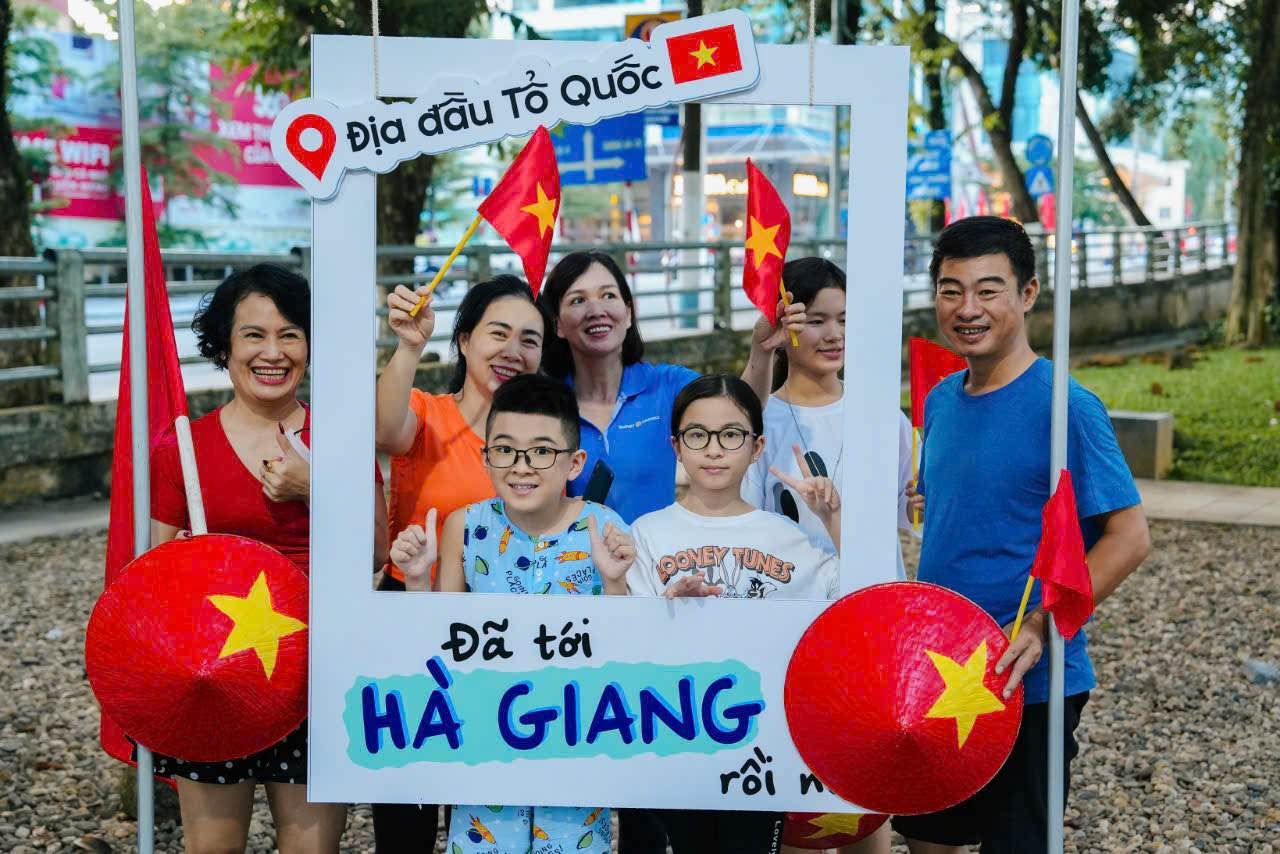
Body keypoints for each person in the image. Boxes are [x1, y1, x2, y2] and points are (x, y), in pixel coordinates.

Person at [896, 216, 1150, 853]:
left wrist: (1043, 622)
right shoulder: (941, 401)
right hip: (938, 666)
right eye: (951, 290)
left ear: (1029, 294)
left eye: (989, 289)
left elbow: (1129, 536)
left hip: (1025, 677)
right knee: (932, 840)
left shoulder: (1066, 405)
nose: (968, 308)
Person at [537, 251, 804, 852]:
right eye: (576, 299)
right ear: (556, 322)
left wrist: (763, 354)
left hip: (666, 596)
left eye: (608, 295)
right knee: (590, 753)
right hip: (573, 601)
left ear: (630, 311)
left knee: (663, 757)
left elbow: (734, 415)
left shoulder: (667, 385)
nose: (595, 309)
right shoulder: (543, 401)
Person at [149, 264, 378, 852]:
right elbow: (151, 574)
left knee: (311, 847)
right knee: (212, 845)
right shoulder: (184, 448)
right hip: (215, 679)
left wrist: (318, 486)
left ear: (309, 346)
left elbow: (379, 547)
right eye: (253, 335)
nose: (272, 352)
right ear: (223, 345)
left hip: (316, 672)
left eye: (290, 334)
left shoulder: (343, 435)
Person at [388, 374, 634, 854]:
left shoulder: (605, 529)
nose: (522, 467)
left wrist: (615, 582)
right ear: (485, 456)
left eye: (542, 451)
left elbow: (629, 651)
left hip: (576, 751)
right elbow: (440, 647)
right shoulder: (465, 525)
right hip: (485, 749)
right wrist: (418, 579)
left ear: (574, 462)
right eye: (505, 449)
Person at [626, 374, 842, 853]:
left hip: (759, 746)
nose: (714, 450)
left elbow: (859, 601)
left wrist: (833, 519)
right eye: (697, 435)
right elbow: (624, 639)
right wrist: (666, 613)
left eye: (731, 435)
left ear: (757, 445)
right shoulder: (647, 533)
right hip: (672, 741)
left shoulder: (787, 537)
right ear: (676, 446)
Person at [373, 275, 547, 848]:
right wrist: (407, 345)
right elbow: (380, 429)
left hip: (510, 632)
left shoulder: (545, 440)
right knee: (410, 793)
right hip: (415, 617)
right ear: (465, 340)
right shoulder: (425, 414)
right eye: (498, 333)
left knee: (490, 799)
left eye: (530, 339)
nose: (513, 351)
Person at [742, 257, 915, 590]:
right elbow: (744, 521)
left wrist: (920, 501)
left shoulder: (881, 415)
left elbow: (910, 514)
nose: (835, 335)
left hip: (871, 599)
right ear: (784, 323)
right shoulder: (763, 421)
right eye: (817, 321)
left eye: (845, 320)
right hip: (788, 600)